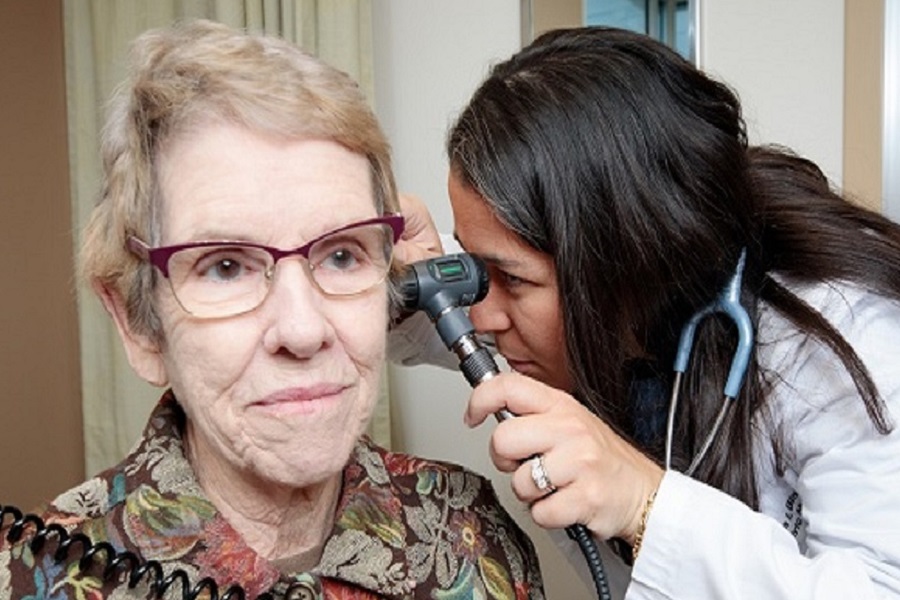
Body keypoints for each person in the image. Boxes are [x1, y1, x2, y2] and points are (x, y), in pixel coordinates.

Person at [0, 19, 545, 599]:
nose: (303, 330)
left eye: (341, 255)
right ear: (139, 324)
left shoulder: (474, 534)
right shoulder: (36, 575)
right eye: (226, 266)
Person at [392, 26, 900, 599]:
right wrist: (371, 268)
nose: (482, 315)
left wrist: (643, 503)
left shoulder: (843, 337)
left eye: (509, 279)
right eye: (477, 270)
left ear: (629, 258)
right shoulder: (600, 304)